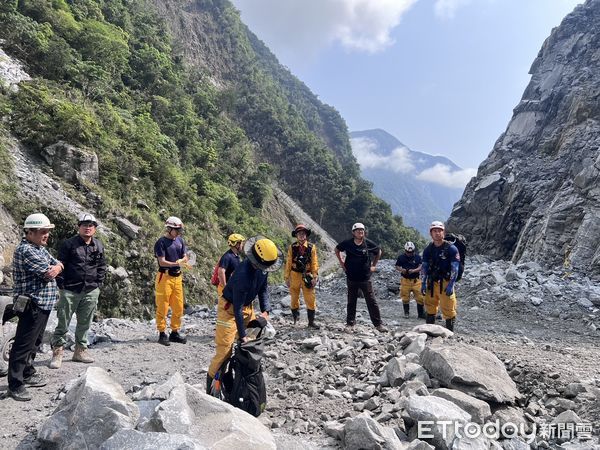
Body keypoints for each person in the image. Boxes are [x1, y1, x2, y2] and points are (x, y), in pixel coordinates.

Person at [206, 235, 282, 393]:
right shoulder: (243, 275)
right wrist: (243, 335)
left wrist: (266, 311)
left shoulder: (263, 270)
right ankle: (210, 389)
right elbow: (238, 308)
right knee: (224, 351)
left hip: (248, 308)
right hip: (230, 309)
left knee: (250, 349)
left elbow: (263, 289)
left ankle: (241, 385)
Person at [7, 213, 64, 401]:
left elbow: (57, 264)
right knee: (24, 343)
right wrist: (56, 268)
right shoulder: (27, 250)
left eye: (47, 231)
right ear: (29, 232)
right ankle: (15, 384)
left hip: (43, 303)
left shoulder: (38, 248)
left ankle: (28, 372)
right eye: (42, 231)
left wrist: (58, 267)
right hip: (32, 303)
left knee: (35, 341)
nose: (46, 234)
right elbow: (48, 273)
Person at [49, 213, 106, 369]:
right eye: (84, 224)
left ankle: (80, 351)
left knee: (85, 323)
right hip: (70, 290)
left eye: (91, 225)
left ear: (95, 228)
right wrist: (62, 286)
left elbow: (102, 266)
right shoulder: (68, 244)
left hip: (91, 290)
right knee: (63, 322)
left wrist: (98, 284)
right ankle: (57, 353)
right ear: (78, 226)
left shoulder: (98, 245)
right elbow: (60, 263)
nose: (87, 228)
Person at [335, 223, 387, 333]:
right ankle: (350, 324)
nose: (360, 232)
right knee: (351, 301)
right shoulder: (348, 243)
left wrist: (373, 265)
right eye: (358, 231)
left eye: (362, 230)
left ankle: (378, 324)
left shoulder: (368, 243)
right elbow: (337, 249)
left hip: (365, 278)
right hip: (351, 277)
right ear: (353, 233)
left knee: (371, 301)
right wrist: (342, 263)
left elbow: (379, 251)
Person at [154, 216, 189, 346]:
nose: (179, 233)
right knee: (162, 306)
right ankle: (162, 333)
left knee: (178, 307)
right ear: (169, 229)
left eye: (179, 230)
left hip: (177, 278)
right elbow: (161, 261)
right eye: (177, 230)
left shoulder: (179, 241)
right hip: (165, 277)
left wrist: (183, 260)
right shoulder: (161, 242)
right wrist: (176, 264)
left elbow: (184, 255)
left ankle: (174, 332)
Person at [421, 221, 460, 331]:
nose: (437, 233)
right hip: (431, 282)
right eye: (435, 231)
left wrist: (451, 284)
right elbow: (424, 267)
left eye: (439, 231)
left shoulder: (451, 249)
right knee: (430, 307)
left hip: (446, 282)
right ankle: (429, 332)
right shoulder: (428, 249)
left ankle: (450, 334)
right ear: (431, 233)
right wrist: (423, 283)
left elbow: (455, 268)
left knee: (448, 308)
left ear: (444, 233)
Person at [284, 224, 320, 328]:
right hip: (294, 275)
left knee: (310, 298)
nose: (301, 235)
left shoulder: (311, 247)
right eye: (299, 234)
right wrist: (287, 277)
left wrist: (314, 276)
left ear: (306, 235)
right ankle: (295, 319)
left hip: (307, 274)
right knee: (294, 298)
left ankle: (311, 322)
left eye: (303, 233)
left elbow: (314, 263)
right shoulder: (292, 247)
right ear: (296, 235)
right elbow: (289, 262)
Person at [394, 241, 425, 319]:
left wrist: (414, 270)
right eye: (408, 252)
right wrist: (402, 270)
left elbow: (421, 266)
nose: (410, 253)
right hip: (405, 280)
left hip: (416, 280)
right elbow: (397, 266)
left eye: (411, 252)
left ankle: (420, 314)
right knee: (405, 297)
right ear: (405, 250)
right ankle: (406, 313)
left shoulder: (418, 257)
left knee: (420, 298)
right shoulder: (401, 257)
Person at [216, 233, 245, 298]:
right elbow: (221, 272)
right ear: (237, 244)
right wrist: (225, 287)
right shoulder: (227, 257)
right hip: (226, 289)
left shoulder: (235, 256)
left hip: (232, 288)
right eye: (241, 243)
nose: (242, 245)